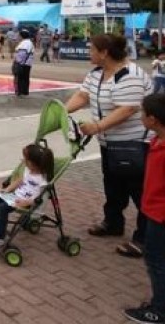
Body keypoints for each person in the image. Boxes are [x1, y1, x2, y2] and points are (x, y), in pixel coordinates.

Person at [65, 33, 152, 258]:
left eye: (92, 49)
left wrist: (97, 126)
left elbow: (127, 109)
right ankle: (113, 223)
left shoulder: (130, 75)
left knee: (140, 192)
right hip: (109, 143)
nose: (88, 53)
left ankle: (145, 238)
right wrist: (61, 110)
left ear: (104, 53)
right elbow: (83, 96)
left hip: (134, 144)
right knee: (113, 186)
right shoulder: (96, 73)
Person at [0, 143, 54, 257]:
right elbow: (19, 181)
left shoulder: (42, 180)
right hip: (14, 196)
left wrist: (26, 202)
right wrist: (7, 189)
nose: (23, 161)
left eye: (26, 160)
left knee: (1, 208)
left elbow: (39, 199)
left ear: (34, 164)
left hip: (24, 202)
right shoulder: (28, 170)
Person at [124, 94, 165, 323]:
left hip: (161, 215)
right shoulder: (156, 141)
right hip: (152, 210)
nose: (140, 117)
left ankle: (159, 310)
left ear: (153, 119)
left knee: (156, 260)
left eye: (142, 113)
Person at [13, 29, 34, 96]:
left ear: (22, 36)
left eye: (19, 35)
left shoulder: (25, 43)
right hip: (27, 63)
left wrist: (18, 61)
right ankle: (25, 91)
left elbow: (22, 54)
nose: (18, 36)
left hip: (22, 63)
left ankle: (19, 91)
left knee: (20, 78)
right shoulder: (29, 42)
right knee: (26, 77)